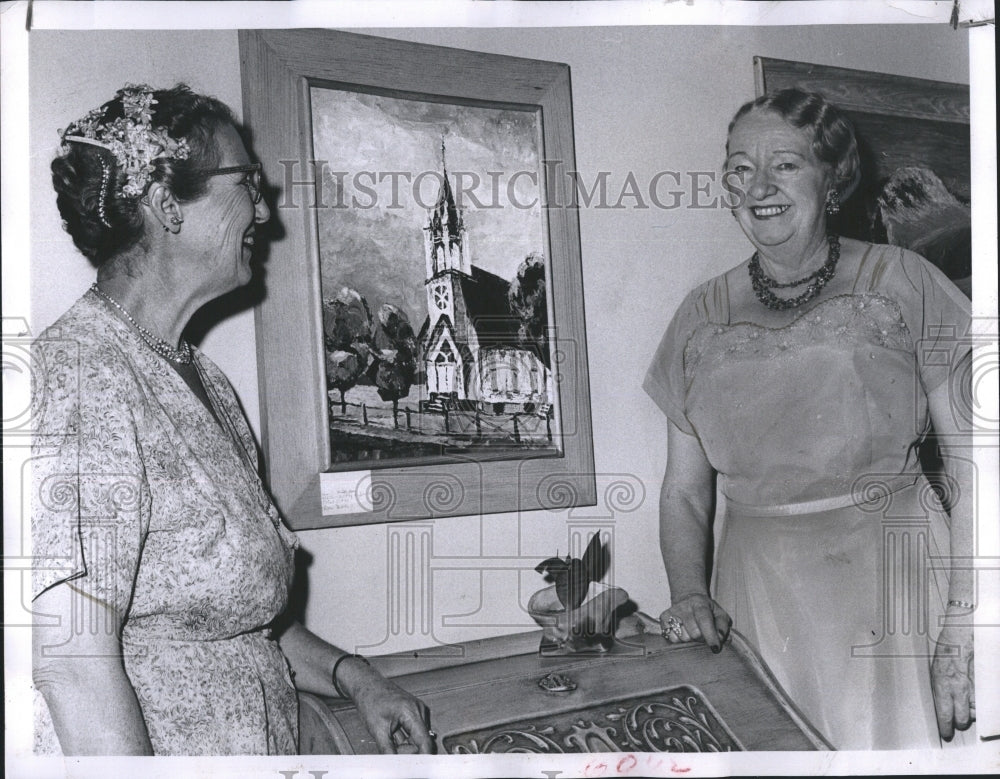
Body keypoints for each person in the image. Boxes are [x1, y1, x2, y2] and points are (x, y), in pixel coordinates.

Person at [31, 84, 434, 756]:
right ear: (167, 205)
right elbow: (74, 666)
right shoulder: (77, 377)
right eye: (246, 181)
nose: (265, 207)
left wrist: (356, 677)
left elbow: (237, 618)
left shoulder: (205, 380)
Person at [644, 88, 974, 750]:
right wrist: (689, 593)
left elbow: (976, 465)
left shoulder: (904, 279)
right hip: (758, 599)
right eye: (741, 167)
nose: (758, 184)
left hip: (895, 584)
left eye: (785, 164)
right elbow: (683, 490)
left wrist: (966, 624)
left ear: (832, 179)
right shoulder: (698, 314)